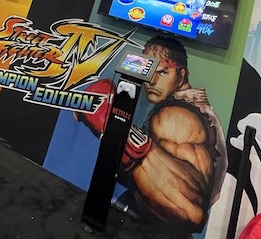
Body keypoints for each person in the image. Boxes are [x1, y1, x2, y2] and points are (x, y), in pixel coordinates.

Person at [77, 36, 227, 237]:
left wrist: (128, 137)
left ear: (181, 74)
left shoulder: (175, 116)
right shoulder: (195, 109)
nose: (152, 81)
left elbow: (191, 211)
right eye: (148, 70)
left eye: (163, 72)